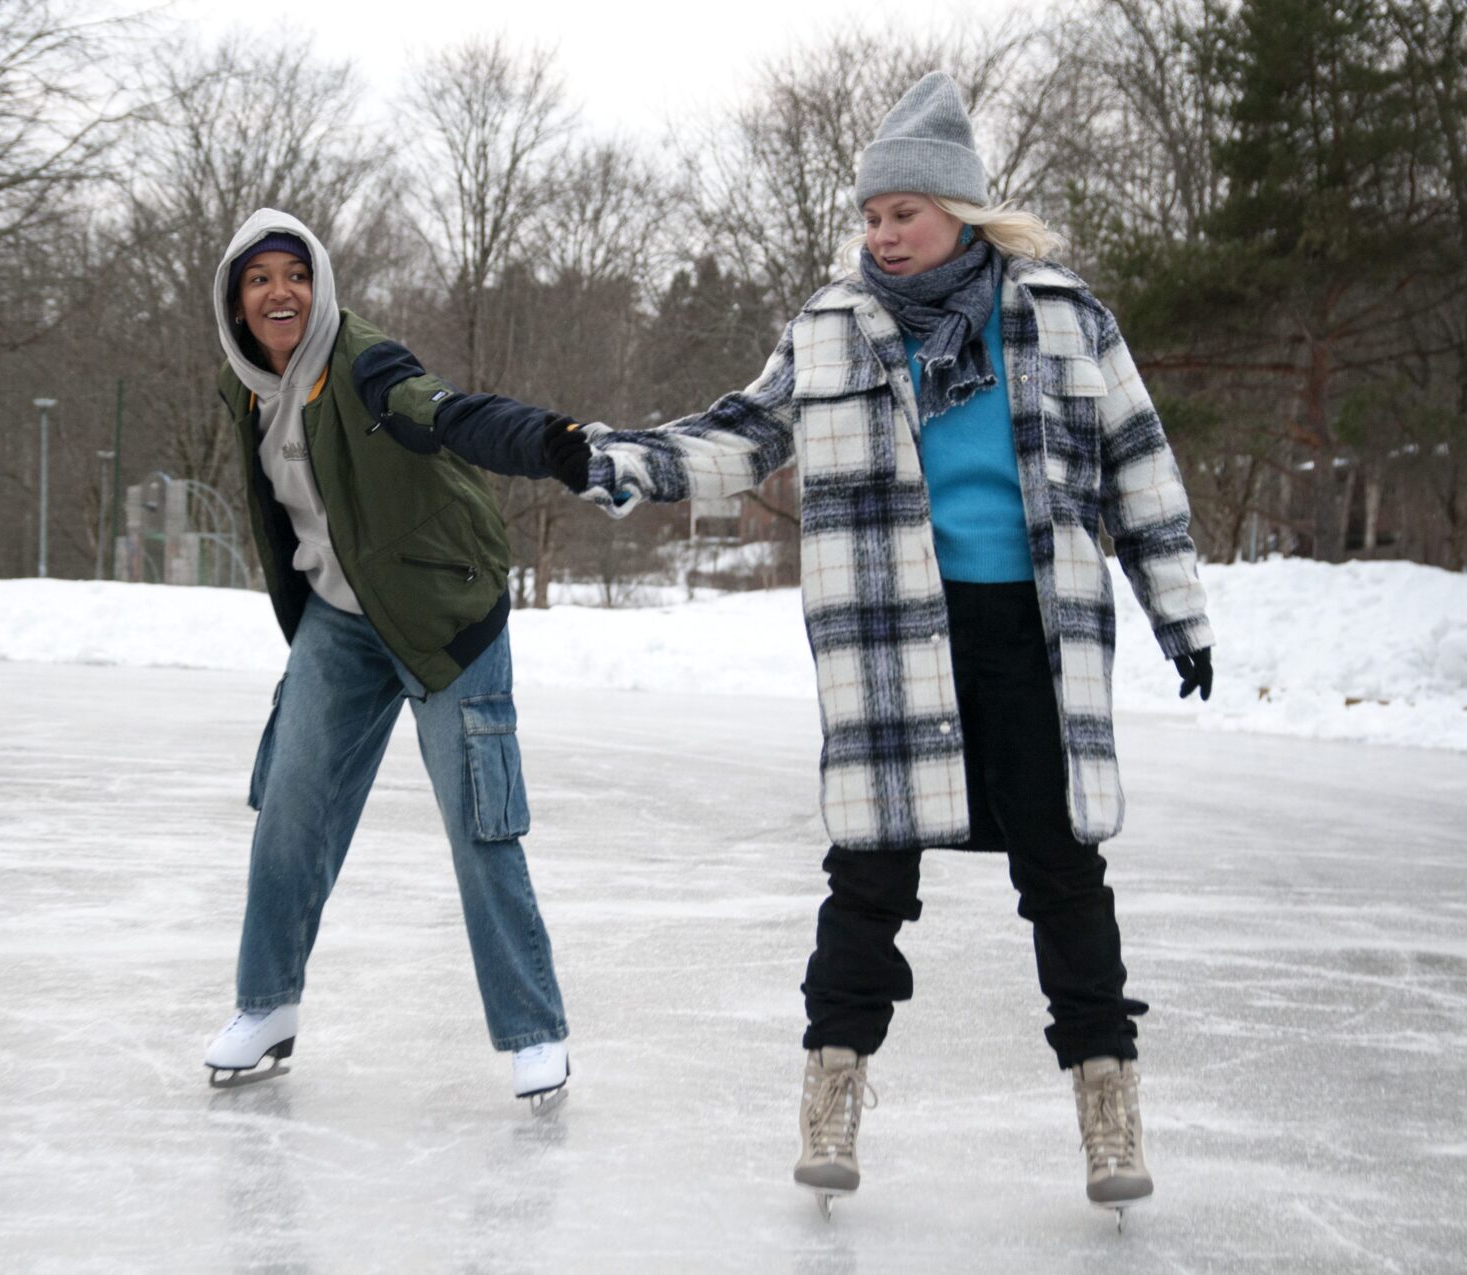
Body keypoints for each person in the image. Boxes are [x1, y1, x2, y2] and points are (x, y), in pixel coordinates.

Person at [416, 74, 1216, 1216]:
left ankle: (1107, 1108)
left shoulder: (1064, 317)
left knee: (1065, 876)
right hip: (894, 636)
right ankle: (833, 1092)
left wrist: (1178, 610)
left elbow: (1140, 466)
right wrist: (605, 459)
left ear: (963, 214)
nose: (884, 235)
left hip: (1033, 640)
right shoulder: (834, 331)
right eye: (873, 216)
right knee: (870, 877)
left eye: (905, 214)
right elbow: (738, 440)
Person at [200, 208, 579, 1110]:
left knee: (478, 819)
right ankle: (267, 1004)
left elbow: (443, 413)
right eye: (259, 279)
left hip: (445, 609)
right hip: (341, 615)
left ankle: (534, 1031)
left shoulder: (365, 364)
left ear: (319, 283)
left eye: (294, 273)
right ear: (236, 301)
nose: (280, 292)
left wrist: (549, 444)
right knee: (289, 805)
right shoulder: (245, 386)